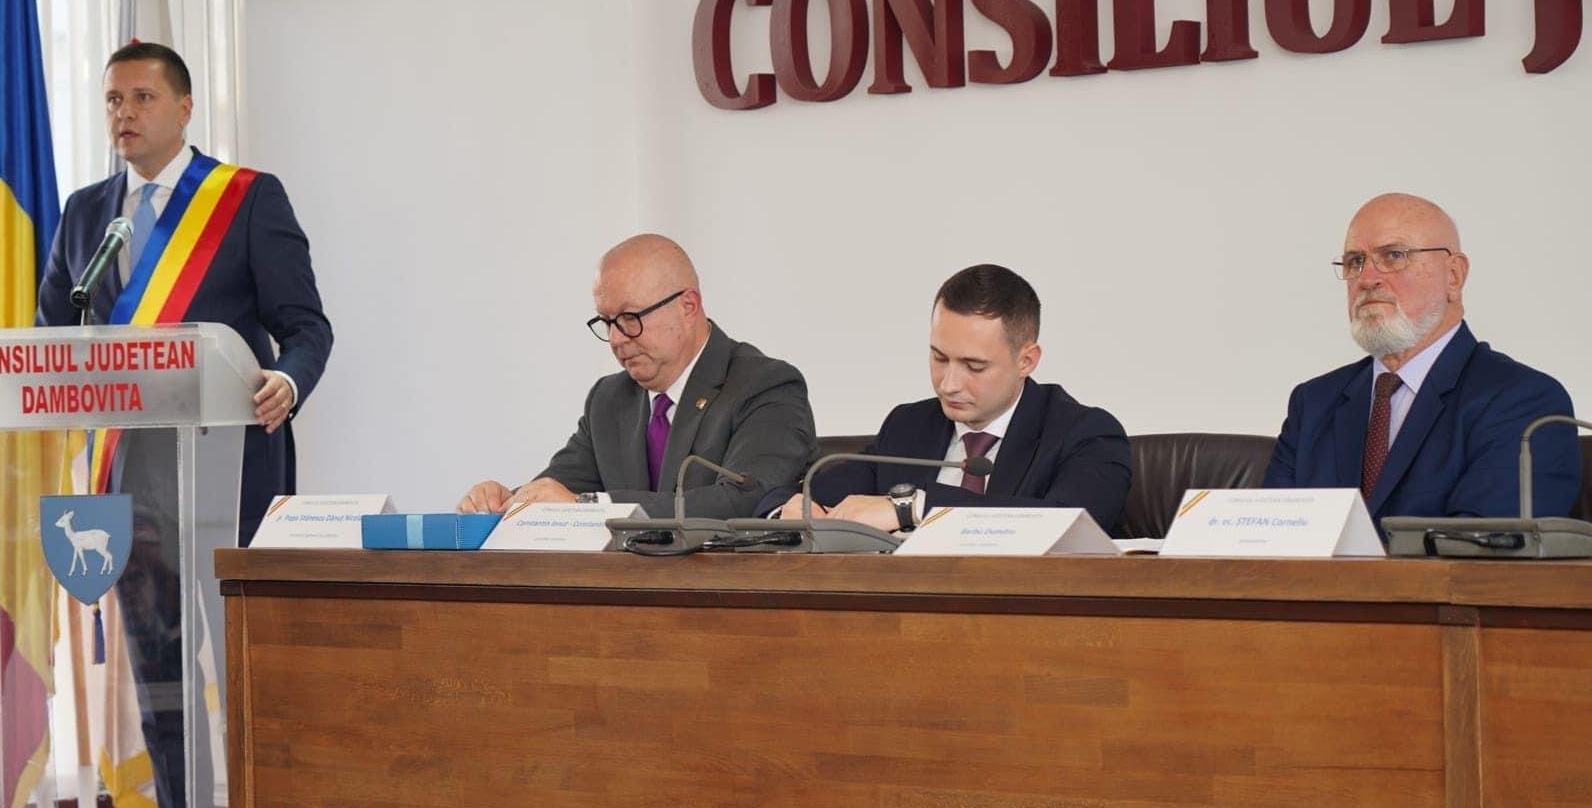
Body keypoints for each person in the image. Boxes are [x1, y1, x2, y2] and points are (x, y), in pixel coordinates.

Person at [38, 41, 333, 808]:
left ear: (184, 107)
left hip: (230, 469)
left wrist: (287, 379)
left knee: (245, 666)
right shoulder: (86, 213)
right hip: (131, 475)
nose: (124, 114)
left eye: (141, 98)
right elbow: (54, 333)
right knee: (159, 671)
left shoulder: (245, 199)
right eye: (112, 101)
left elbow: (306, 326)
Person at [1264, 192, 1578, 518]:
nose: (1367, 279)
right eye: (1355, 262)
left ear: (1454, 275)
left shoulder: (1522, 401)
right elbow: (1271, 534)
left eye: (1394, 256)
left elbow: (1486, 542)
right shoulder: (1313, 403)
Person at [456, 234, 814, 518]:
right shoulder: (609, 400)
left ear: (688, 306)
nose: (616, 339)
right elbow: (560, 489)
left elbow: (746, 501)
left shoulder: (765, 386)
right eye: (607, 322)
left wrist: (588, 507)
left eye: (630, 318)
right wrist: (507, 501)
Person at [759, 265, 1130, 535]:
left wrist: (914, 508)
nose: (948, 384)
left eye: (974, 366)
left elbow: (1069, 526)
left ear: (1026, 361)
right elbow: (795, 494)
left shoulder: (1085, 433)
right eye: (939, 358)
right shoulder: (909, 426)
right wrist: (788, 509)